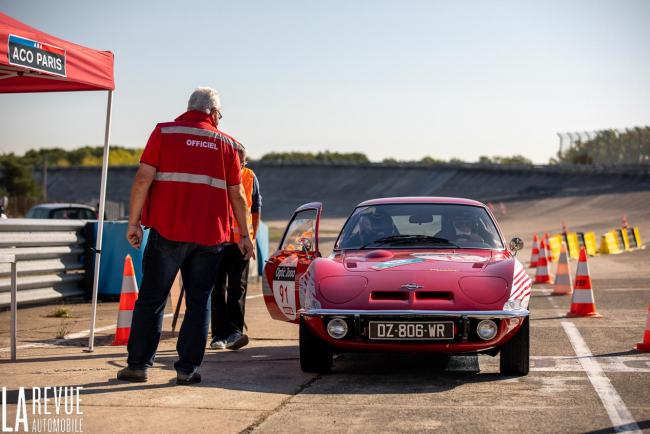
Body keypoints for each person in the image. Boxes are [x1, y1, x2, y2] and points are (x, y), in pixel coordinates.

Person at [117, 87, 255, 385]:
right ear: (213, 113)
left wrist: (133, 223)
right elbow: (239, 197)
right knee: (199, 301)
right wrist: (245, 235)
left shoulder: (164, 133)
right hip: (209, 238)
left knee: (152, 298)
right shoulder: (227, 144)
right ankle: (187, 369)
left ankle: (139, 365)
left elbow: (142, 179)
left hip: (167, 232)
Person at [210, 146, 261, 350]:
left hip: (241, 242)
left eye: (242, 163)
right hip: (217, 241)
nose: (239, 166)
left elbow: (255, 210)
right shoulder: (215, 177)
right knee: (217, 288)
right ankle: (218, 335)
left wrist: (252, 239)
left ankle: (234, 332)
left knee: (237, 288)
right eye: (236, 162)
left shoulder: (250, 177)